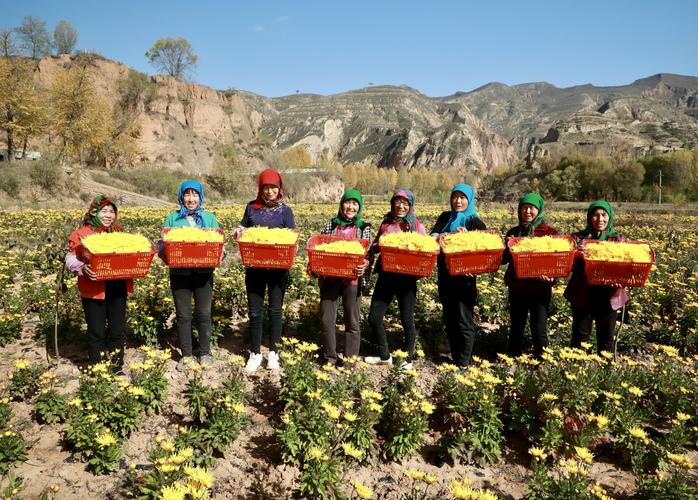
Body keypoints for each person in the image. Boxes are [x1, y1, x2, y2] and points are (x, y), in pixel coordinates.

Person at [233, 168, 295, 373]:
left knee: (275, 310)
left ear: (280, 189)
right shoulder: (252, 208)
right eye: (266, 188)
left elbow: (291, 236)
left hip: (278, 269)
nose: (269, 192)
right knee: (255, 311)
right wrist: (239, 231)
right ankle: (255, 352)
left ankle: (274, 352)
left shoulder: (286, 211)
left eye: (273, 188)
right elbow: (243, 227)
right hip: (255, 267)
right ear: (260, 189)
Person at [65, 195, 131, 373]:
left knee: (117, 330)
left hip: (117, 287)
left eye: (112, 211)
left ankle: (117, 367)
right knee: (96, 331)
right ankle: (98, 368)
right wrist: (82, 267)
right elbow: (70, 259)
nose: (108, 215)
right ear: (94, 212)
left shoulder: (118, 233)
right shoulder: (81, 234)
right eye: (104, 211)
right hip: (94, 289)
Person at [160, 180, 221, 371]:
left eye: (195, 194)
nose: (191, 199)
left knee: (204, 314)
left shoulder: (209, 218)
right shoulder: (172, 219)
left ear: (201, 197)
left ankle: (204, 353)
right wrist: (165, 254)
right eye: (187, 194)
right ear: (181, 197)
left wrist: (220, 254)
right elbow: (163, 244)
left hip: (204, 274)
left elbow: (220, 243)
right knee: (183, 315)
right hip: (180, 273)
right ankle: (186, 355)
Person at [365, 189, 426, 370]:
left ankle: (408, 358)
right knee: (374, 317)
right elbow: (375, 247)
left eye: (405, 203)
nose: (401, 206)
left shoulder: (416, 225)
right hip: (386, 275)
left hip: (407, 279)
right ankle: (385, 355)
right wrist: (381, 242)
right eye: (397, 202)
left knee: (406, 319)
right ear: (392, 204)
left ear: (410, 206)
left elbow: (425, 250)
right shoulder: (386, 223)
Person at [430, 184, 487, 367]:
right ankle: (456, 357)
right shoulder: (445, 217)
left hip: (465, 281)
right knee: (450, 319)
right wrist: (448, 235)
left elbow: (484, 248)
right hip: (445, 276)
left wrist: (467, 236)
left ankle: (464, 362)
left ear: (469, 200)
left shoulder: (474, 222)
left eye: (463, 197)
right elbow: (432, 238)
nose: (458, 201)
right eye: (455, 197)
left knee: (464, 320)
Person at [316, 189, 371, 365]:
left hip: (353, 279)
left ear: (359, 207)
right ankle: (330, 357)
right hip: (331, 278)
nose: (351, 206)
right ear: (341, 205)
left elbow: (368, 253)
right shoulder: (330, 225)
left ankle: (349, 360)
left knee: (352, 322)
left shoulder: (364, 228)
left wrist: (366, 264)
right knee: (326, 320)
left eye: (355, 203)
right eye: (348, 202)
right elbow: (320, 248)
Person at [564, 200, 628, 353]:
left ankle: (606, 373)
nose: (600, 219)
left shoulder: (618, 239)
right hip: (583, 293)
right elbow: (568, 264)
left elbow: (626, 264)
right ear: (589, 217)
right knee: (579, 337)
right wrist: (578, 255)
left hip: (608, 295)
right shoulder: (578, 238)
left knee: (606, 339)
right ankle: (575, 371)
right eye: (596, 215)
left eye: (604, 215)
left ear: (610, 217)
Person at [503, 193, 558, 359]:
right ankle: (512, 358)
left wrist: (552, 277)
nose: (527, 211)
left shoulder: (549, 232)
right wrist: (507, 246)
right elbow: (503, 260)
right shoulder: (514, 232)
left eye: (531, 208)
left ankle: (541, 360)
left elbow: (557, 260)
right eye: (524, 208)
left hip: (539, 288)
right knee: (516, 325)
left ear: (539, 210)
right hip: (517, 286)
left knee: (539, 327)